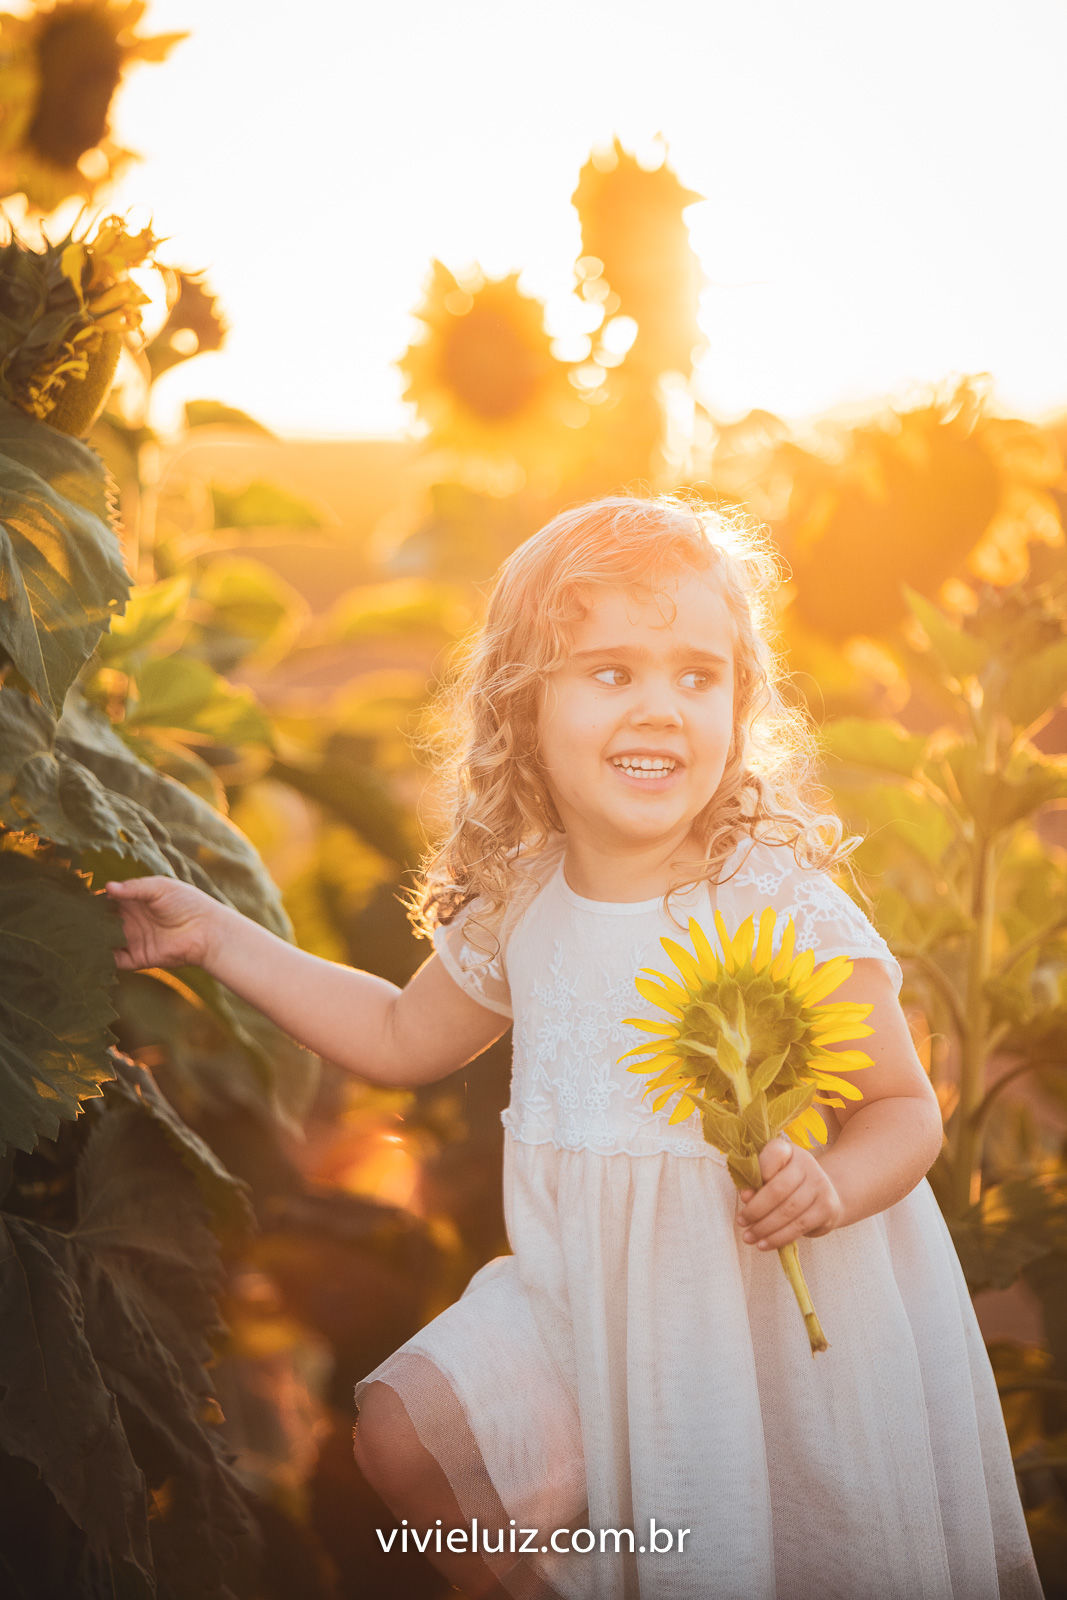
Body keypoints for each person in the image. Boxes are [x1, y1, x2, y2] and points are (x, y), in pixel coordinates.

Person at [106, 495, 1044, 1600]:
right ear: (521, 705)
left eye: (697, 676)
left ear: (739, 705)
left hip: (748, 1331)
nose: (658, 709)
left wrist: (827, 1187)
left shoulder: (770, 896)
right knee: (404, 1433)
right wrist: (218, 938)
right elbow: (400, 1034)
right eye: (610, 672)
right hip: (578, 1309)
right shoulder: (520, 899)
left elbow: (903, 1109)